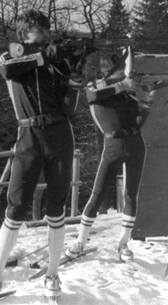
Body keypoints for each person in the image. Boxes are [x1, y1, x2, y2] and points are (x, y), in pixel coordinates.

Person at [0, 10, 82, 301]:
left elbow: (68, 107)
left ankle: (52, 274)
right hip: (28, 136)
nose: (45, 33)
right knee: (16, 207)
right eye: (38, 30)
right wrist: (49, 54)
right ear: (23, 34)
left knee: (56, 209)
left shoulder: (54, 62)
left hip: (60, 134)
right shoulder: (10, 56)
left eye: (46, 29)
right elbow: (9, 70)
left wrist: (73, 75)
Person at [65, 47, 153, 262]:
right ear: (107, 73)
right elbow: (92, 94)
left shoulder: (126, 93)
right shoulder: (96, 87)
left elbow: (138, 124)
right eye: (120, 72)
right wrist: (124, 84)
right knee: (97, 194)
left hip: (135, 145)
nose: (124, 75)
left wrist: (148, 101)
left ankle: (124, 244)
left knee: (131, 195)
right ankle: (80, 241)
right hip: (113, 146)